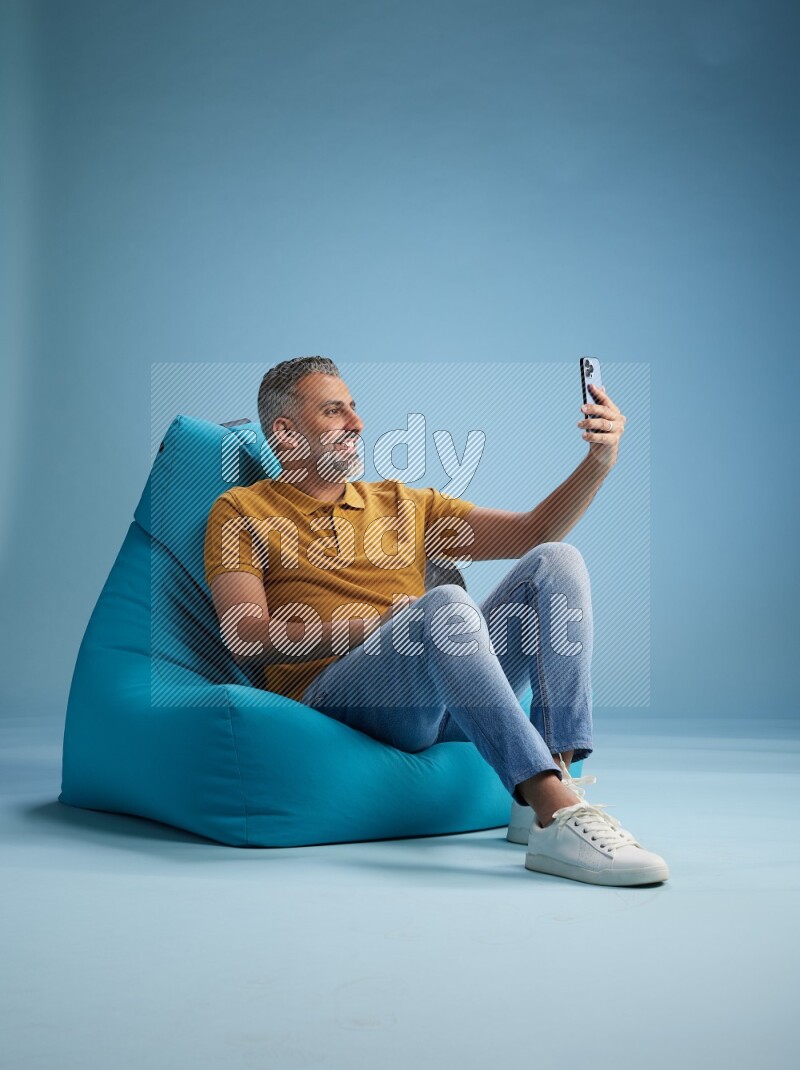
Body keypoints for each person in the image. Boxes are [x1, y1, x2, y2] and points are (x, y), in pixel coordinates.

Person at [204, 355, 668, 886]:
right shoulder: (240, 510)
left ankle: (550, 789)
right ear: (285, 432)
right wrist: (378, 623)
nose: (356, 423)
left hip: (440, 694)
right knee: (444, 604)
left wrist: (599, 462)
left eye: (355, 408)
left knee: (556, 561)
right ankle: (555, 808)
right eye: (334, 411)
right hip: (339, 700)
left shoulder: (401, 503)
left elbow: (532, 531)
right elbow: (245, 635)